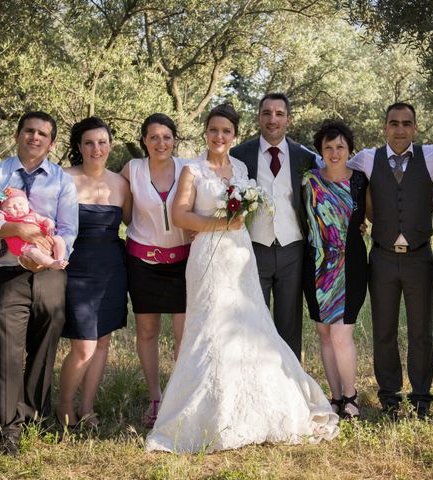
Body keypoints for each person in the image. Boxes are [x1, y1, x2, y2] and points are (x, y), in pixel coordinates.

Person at [145, 103, 338, 453]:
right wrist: (221, 224)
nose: (219, 136)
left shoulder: (241, 167)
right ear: (206, 132)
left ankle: (257, 405)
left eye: (226, 131)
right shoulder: (192, 169)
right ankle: (208, 411)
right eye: (214, 130)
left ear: (234, 136)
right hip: (208, 257)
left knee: (251, 327)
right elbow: (180, 215)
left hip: (241, 256)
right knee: (210, 329)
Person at [0, 111, 78, 455]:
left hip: (49, 272)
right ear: (17, 135)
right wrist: (17, 229)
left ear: (52, 143)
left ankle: (32, 417)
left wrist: (50, 251)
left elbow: (68, 228)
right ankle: (7, 428)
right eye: (28, 131)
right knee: (8, 349)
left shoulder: (61, 180)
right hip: (7, 273)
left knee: (44, 346)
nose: (34, 137)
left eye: (42, 134)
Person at [348, 103, 433, 419]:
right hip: (382, 258)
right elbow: (331, 164)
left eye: (406, 124)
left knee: (421, 331)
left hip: (420, 258)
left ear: (415, 127)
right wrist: (353, 216)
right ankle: (389, 398)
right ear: (384, 127)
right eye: (394, 123)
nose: (400, 130)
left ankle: (422, 398)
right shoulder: (367, 159)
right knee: (383, 330)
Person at [230, 93, 317, 359]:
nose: (272, 119)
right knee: (252, 318)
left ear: (288, 119)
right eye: (267, 113)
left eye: (279, 113)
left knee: (289, 321)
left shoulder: (305, 157)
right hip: (253, 248)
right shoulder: (239, 154)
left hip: (293, 248)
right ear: (258, 117)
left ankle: (289, 383)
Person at [57, 117, 132, 428]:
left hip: (112, 269)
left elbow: (136, 225)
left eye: (102, 142)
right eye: (89, 142)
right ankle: (63, 406)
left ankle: (87, 408)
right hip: (76, 269)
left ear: (110, 145)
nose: (96, 148)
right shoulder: (63, 178)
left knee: (102, 342)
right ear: (79, 147)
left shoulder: (121, 183)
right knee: (84, 345)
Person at [120, 114, 192, 427]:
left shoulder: (189, 168)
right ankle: (156, 398)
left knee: (183, 335)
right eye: (153, 137)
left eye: (166, 136)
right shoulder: (132, 170)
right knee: (147, 332)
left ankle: (179, 398)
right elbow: (124, 215)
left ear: (174, 139)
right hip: (142, 264)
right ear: (144, 141)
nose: (160, 143)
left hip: (183, 264)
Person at [302, 120, 369, 418]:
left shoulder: (360, 180)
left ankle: (351, 396)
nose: (334, 152)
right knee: (325, 335)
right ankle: (335, 397)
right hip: (316, 265)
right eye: (328, 147)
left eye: (340, 147)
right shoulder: (309, 181)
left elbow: (371, 217)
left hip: (352, 263)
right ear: (320, 151)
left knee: (342, 335)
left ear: (349, 150)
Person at [0, 187, 68, 270]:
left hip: (45, 240)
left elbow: (44, 219)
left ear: (27, 203)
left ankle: (59, 260)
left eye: (20, 204)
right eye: (10, 207)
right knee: (33, 252)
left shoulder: (32, 214)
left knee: (58, 239)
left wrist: (50, 223)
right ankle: (52, 263)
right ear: (4, 209)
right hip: (25, 246)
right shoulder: (6, 216)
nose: (17, 208)